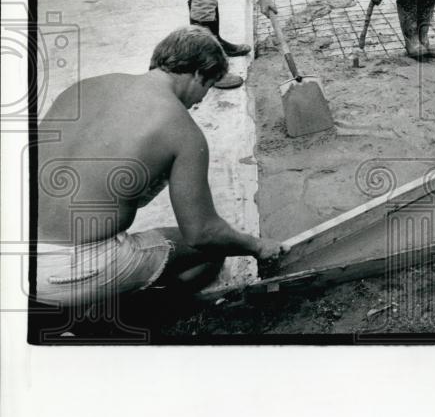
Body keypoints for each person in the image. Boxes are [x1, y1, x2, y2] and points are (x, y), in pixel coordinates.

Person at [34, 26, 286, 310]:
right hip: (74, 269)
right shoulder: (181, 128)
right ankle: (125, 312)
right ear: (198, 75)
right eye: (207, 87)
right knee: (212, 253)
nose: (201, 100)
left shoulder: (80, 88)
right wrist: (257, 246)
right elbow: (202, 233)